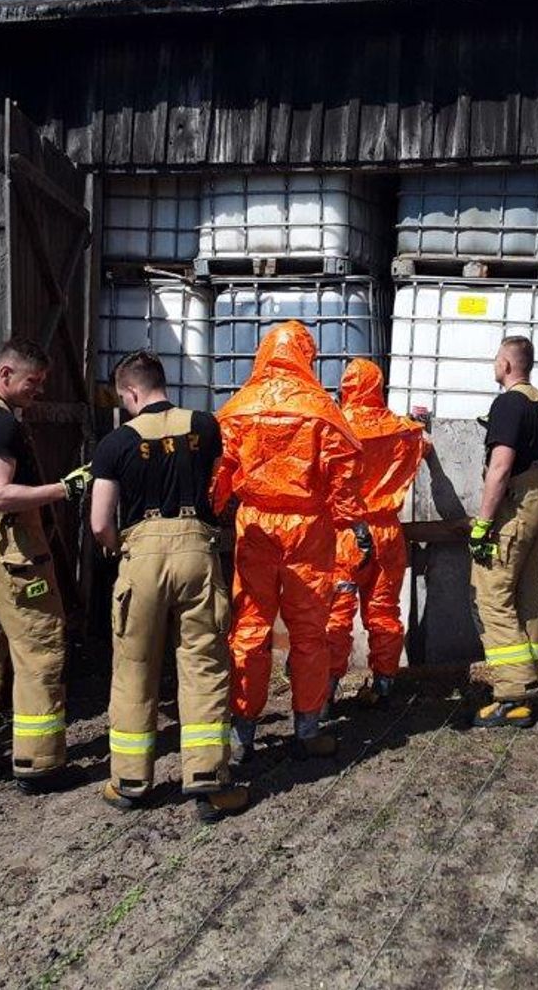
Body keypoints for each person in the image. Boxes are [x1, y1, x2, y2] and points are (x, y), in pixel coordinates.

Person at [89, 350, 248, 823]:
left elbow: (100, 521)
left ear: (132, 392)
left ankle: (131, 783)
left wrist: (120, 549)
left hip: (141, 559)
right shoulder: (205, 426)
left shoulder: (115, 443)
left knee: (135, 668)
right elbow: (224, 490)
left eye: (123, 397)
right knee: (203, 665)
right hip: (198, 553)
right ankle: (207, 782)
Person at [212, 321, 372, 761]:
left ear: (263, 353)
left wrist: (212, 511)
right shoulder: (322, 409)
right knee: (308, 630)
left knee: (249, 627)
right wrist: (353, 525)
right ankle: (308, 728)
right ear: (306, 356)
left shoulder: (238, 408)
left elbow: (219, 469)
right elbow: (343, 474)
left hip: (256, 526)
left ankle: (242, 734)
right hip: (309, 528)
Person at [0, 337, 92, 792]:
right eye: (34, 381)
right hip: (8, 539)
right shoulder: (0, 424)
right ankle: (40, 762)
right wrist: (63, 490)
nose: (40, 390)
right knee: (39, 644)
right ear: (6, 373)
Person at [326, 358, 427, 709]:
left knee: (337, 615)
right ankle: (384, 685)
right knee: (384, 611)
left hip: (347, 534)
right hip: (388, 532)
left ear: (346, 388)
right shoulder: (401, 429)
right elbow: (421, 443)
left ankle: (325, 691)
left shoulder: (336, 426)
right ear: (377, 387)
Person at [468, 336, 538, 729]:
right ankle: (530, 675)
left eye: (495, 360)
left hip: (516, 504)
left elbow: (500, 468)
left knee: (491, 594)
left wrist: (483, 525)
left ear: (506, 364)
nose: (494, 366)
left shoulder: (509, 403)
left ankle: (512, 694)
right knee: (525, 595)